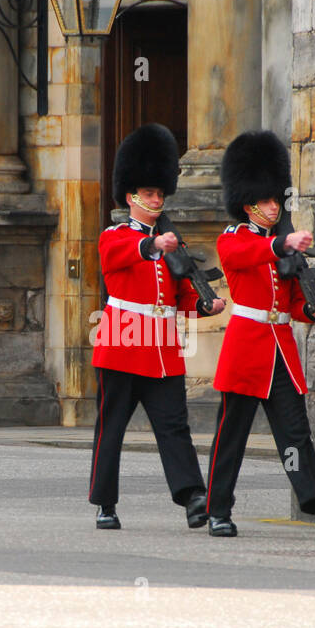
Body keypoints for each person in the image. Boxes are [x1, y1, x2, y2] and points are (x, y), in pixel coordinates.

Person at [89, 123, 226, 529]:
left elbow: (178, 298)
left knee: (173, 425)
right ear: (131, 196)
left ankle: (192, 497)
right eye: (148, 193)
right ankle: (105, 503)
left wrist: (205, 306)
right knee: (112, 426)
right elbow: (120, 255)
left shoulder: (172, 242)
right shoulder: (116, 235)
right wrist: (152, 246)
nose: (155, 199)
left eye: (159, 193)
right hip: (123, 339)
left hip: (162, 346)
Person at [204, 130, 315, 538]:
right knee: (233, 435)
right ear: (248, 204)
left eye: (277, 200)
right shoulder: (234, 238)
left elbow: (293, 301)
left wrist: (311, 310)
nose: (274, 206)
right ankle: (217, 509)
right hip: (247, 347)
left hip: (281, 350)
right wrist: (282, 245)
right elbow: (242, 257)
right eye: (266, 201)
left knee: (294, 435)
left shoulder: (283, 246)